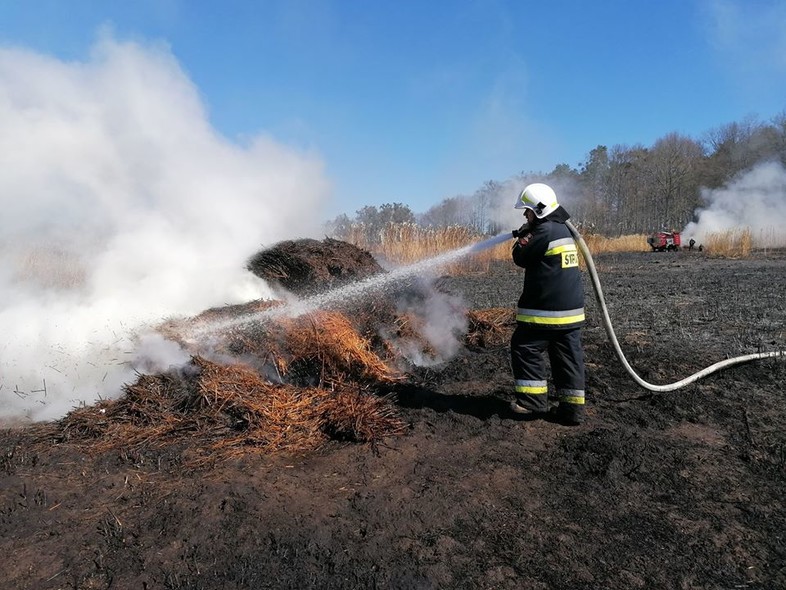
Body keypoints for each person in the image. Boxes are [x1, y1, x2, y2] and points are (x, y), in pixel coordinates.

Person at [509, 183, 586, 425]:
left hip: (546, 312)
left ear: (539, 210)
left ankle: (531, 403)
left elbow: (519, 257)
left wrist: (524, 235)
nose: (525, 215)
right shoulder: (563, 229)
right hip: (571, 314)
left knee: (525, 347)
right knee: (568, 357)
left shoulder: (543, 231)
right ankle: (572, 411)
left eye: (527, 211)